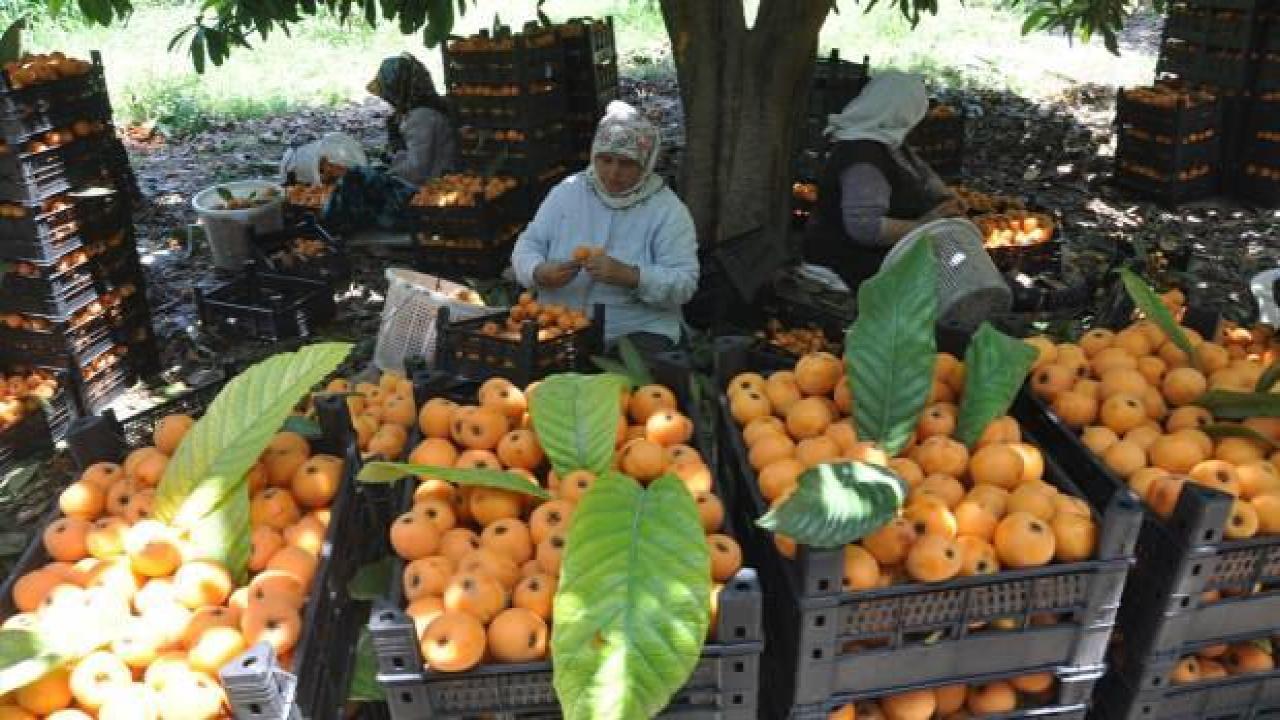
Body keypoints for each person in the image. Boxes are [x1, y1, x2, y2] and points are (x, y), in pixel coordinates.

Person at [511, 101, 699, 355]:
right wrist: (537, 271)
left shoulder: (666, 210)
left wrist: (631, 276)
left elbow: (684, 283)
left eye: (626, 163)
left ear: (645, 165)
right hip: (560, 325)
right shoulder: (568, 192)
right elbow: (529, 243)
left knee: (636, 372)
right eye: (606, 160)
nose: (612, 173)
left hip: (635, 329)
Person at [803, 71, 966, 293]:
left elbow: (923, 176)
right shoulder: (863, 157)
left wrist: (946, 198)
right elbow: (866, 228)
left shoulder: (889, 142)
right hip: (850, 268)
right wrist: (924, 225)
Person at [366, 53, 457, 185]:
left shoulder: (422, 117)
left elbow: (416, 170)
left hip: (430, 189)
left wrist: (386, 174)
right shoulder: (425, 110)